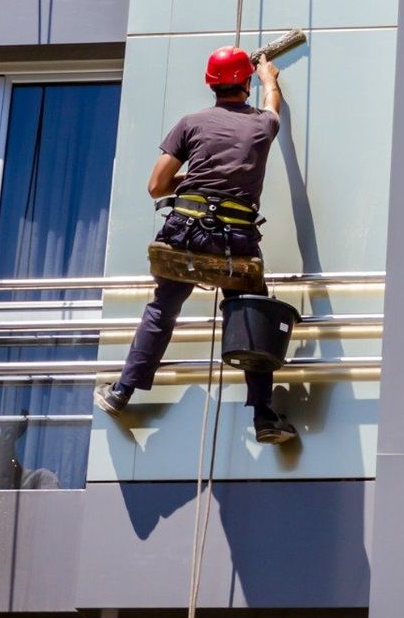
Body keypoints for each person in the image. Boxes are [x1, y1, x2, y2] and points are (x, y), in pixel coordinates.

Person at [96, 45, 297, 444]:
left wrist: (192, 184)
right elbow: (274, 106)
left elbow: (156, 186)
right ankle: (263, 415)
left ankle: (122, 392)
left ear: (210, 83)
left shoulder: (190, 124)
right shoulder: (261, 126)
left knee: (162, 310)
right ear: (244, 83)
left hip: (185, 232)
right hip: (235, 242)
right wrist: (269, 79)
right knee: (250, 314)